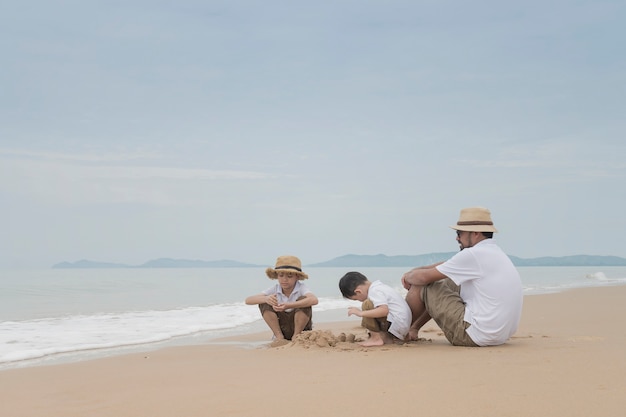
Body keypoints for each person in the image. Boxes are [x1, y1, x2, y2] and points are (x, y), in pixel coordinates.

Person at [401, 207, 523, 347]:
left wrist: (408, 277)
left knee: (425, 285)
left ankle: (396, 332)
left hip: (475, 335)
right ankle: (413, 329)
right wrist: (414, 273)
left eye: (459, 233)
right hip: (499, 335)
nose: (457, 238)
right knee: (444, 280)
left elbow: (423, 278)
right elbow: (446, 265)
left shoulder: (473, 254)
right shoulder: (493, 252)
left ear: (476, 233)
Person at [245, 255, 318, 344]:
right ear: (277, 276)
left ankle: (296, 335)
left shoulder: (301, 288)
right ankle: (278, 335)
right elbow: (248, 300)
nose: (284, 279)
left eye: (289, 276)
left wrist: (289, 305)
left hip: (302, 329)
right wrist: (266, 298)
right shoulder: (275, 289)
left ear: (297, 277)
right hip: (283, 328)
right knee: (264, 301)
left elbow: (314, 300)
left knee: (304, 300)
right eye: (281, 275)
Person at [339, 271, 412, 346]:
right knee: (372, 306)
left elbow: (384, 310)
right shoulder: (380, 287)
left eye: (356, 299)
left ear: (358, 292)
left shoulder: (374, 291)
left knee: (367, 304)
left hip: (397, 325)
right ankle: (387, 337)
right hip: (402, 326)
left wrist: (360, 313)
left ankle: (375, 339)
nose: (359, 301)